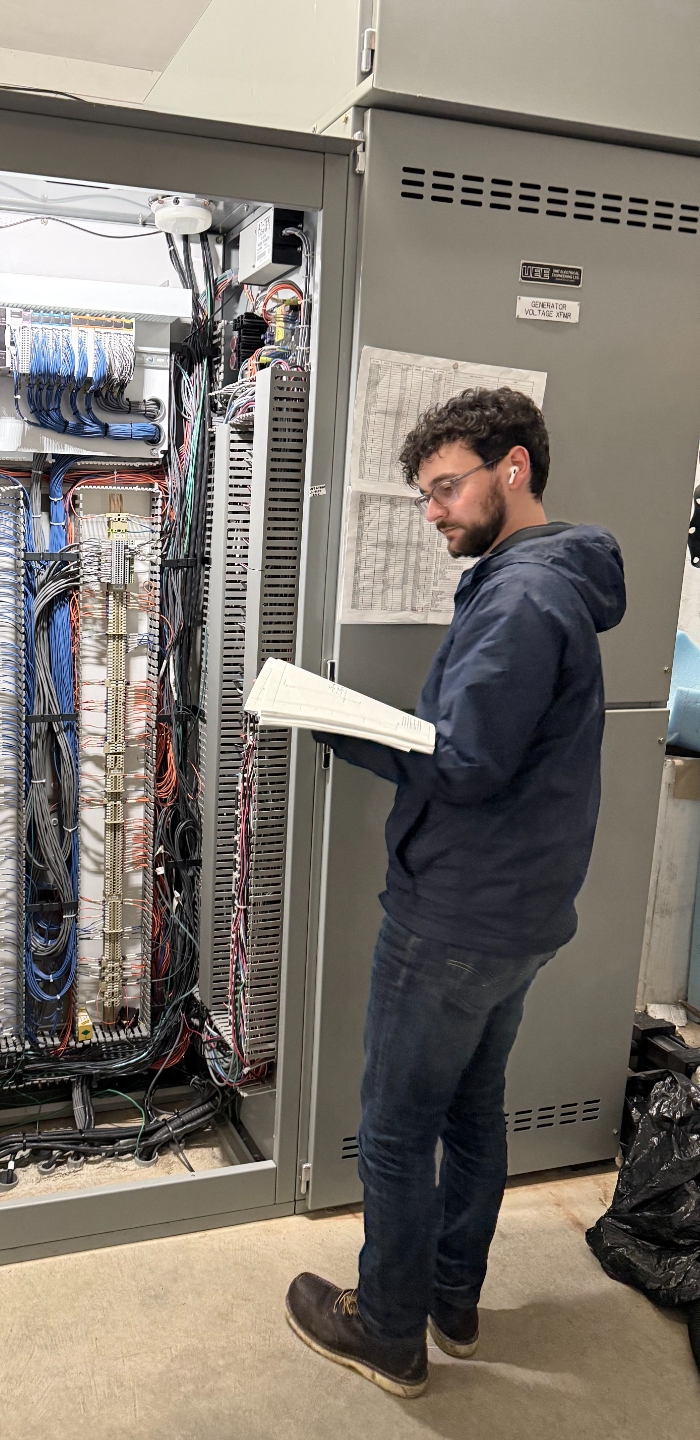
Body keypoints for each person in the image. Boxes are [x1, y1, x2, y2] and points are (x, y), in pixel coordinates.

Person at [285, 387, 626, 1397]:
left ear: (512, 469)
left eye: (444, 488)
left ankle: (387, 1330)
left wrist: (342, 725)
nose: (432, 510)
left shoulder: (522, 598)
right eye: (425, 493)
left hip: (457, 917)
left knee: (395, 1126)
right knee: (473, 1110)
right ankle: (451, 1299)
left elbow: (469, 761)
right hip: (521, 913)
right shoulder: (545, 577)